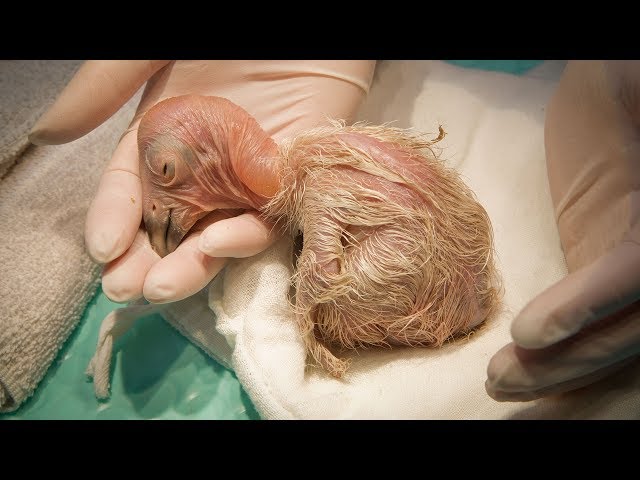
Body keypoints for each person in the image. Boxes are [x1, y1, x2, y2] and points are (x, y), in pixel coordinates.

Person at [30, 60, 640, 403]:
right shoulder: (314, 164)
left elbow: (334, 235)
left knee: (334, 305)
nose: (164, 208)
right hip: (437, 257)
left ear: (215, 154)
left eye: (166, 176)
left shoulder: (311, 178)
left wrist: (316, 291)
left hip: (422, 273)